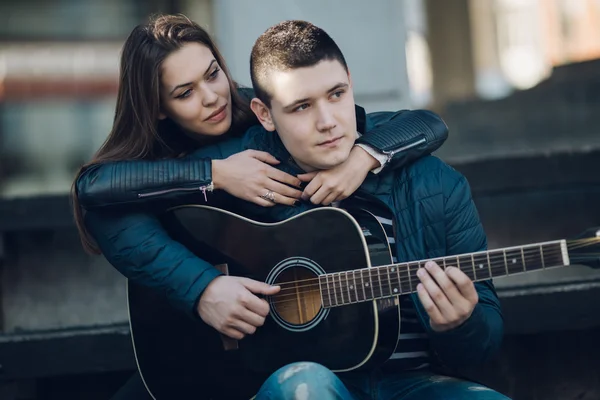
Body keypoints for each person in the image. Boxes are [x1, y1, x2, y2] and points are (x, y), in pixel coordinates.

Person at [72, 14, 449, 400]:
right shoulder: (144, 160)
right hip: (197, 339)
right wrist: (215, 181)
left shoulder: (266, 108)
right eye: (185, 92)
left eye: (213, 73)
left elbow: (424, 123)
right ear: (157, 108)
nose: (212, 96)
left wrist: (363, 157)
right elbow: (96, 191)